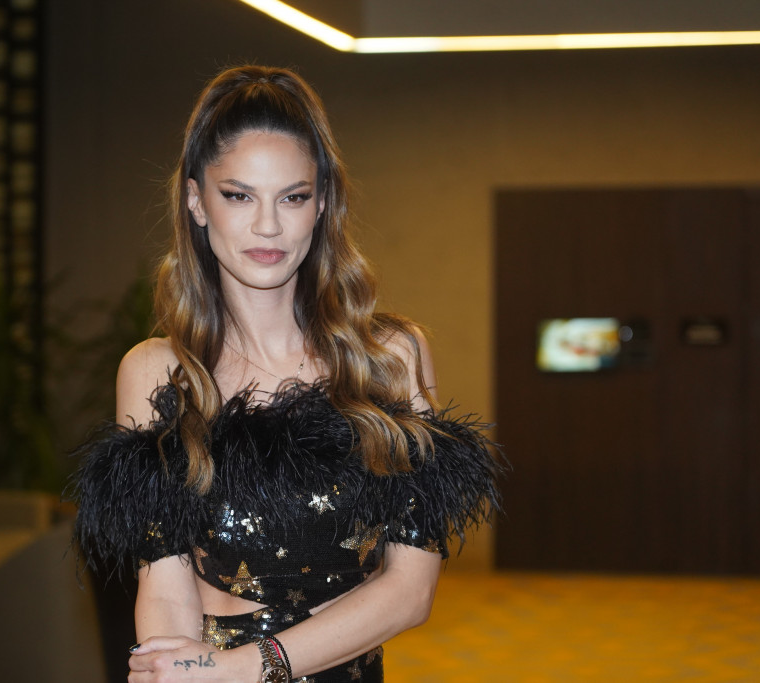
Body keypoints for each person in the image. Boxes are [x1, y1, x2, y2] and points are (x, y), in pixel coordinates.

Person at [71, 65, 500, 683]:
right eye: (238, 195)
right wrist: (181, 669)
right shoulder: (156, 371)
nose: (268, 226)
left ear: (321, 204)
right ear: (196, 201)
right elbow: (164, 587)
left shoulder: (390, 357)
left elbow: (411, 591)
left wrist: (248, 668)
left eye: (292, 197)